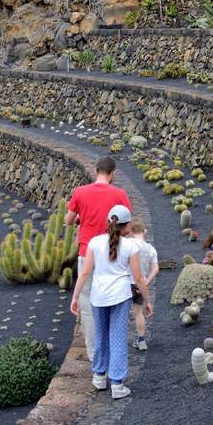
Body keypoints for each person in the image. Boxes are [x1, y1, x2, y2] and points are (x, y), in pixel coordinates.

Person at [70, 205, 153, 399]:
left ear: (109, 221)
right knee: (117, 337)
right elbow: (138, 278)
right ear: (127, 227)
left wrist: (75, 297)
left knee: (101, 335)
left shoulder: (95, 242)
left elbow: (84, 272)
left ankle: (99, 376)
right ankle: (117, 384)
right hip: (120, 297)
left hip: (98, 297)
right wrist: (147, 300)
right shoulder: (131, 246)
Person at [65, 156, 132, 361]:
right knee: (115, 303)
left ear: (96, 171)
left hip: (87, 254)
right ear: (112, 173)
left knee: (88, 305)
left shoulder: (80, 192)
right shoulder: (119, 194)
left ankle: (95, 355)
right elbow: (127, 227)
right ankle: (113, 351)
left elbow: (68, 220)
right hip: (113, 255)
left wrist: (79, 219)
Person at [129, 218, 159, 351]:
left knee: (120, 313)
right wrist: (146, 282)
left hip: (126, 282)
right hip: (141, 285)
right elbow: (155, 268)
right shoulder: (151, 249)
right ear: (144, 231)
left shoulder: (127, 243)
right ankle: (141, 340)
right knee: (138, 312)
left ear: (130, 231)